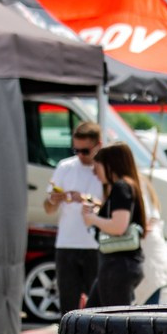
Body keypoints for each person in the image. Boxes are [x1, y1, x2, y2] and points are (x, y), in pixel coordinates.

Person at [44, 120, 103, 319]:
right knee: (67, 307)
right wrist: (54, 199)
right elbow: (48, 208)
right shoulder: (65, 166)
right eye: (75, 149)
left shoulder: (103, 169)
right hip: (67, 243)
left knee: (98, 305)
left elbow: (112, 206)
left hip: (95, 245)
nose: (79, 155)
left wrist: (86, 198)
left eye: (85, 151)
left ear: (98, 146)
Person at [80, 142, 147, 307]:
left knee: (113, 323)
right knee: (94, 316)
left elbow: (119, 226)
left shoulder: (121, 187)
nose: (96, 174)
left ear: (110, 165)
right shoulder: (129, 185)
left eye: (98, 167)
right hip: (119, 265)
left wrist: (92, 219)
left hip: (117, 265)